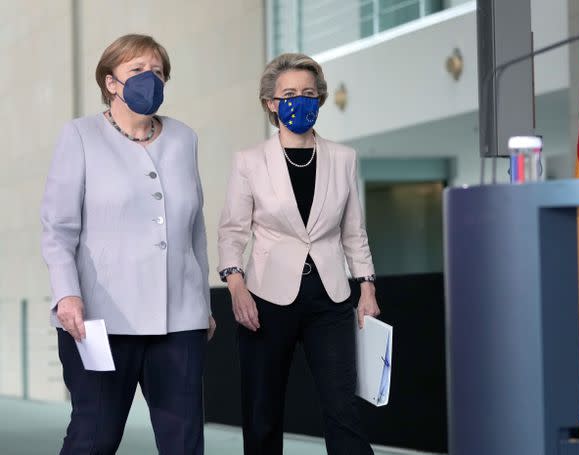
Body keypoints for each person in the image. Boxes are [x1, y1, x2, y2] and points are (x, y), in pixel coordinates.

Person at [40, 34, 215, 455]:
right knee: (93, 437)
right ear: (111, 82)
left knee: (184, 443)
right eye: (137, 70)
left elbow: (195, 230)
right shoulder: (80, 135)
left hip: (179, 319)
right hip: (100, 319)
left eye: (157, 71)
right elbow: (58, 228)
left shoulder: (184, 138)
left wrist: (203, 304)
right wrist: (67, 294)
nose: (149, 79)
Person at [218, 53, 380, 455]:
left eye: (308, 93)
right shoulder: (250, 162)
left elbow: (353, 231)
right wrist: (236, 287)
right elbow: (232, 231)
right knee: (263, 411)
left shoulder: (343, 159)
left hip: (331, 298)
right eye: (289, 93)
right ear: (271, 103)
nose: (300, 100)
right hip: (266, 300)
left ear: (320, 99)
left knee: (344, 407)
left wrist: (367, 289)